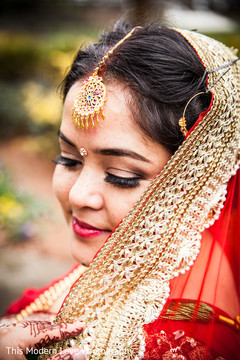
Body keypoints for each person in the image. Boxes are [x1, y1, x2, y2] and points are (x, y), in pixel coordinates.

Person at [0, 21, 239, 360]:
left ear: (197, 182)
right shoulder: (126, 261)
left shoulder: (185, 345)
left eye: (121, 175)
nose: (78, 196)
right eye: (67, 159)